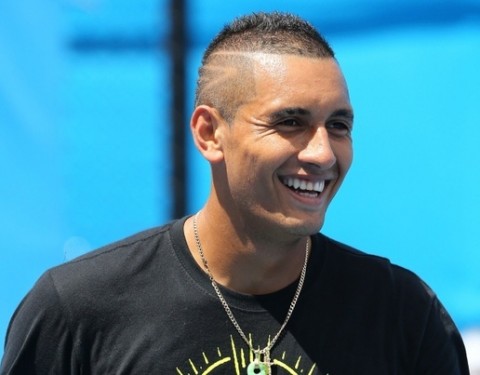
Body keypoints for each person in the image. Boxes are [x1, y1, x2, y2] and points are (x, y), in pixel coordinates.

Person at [1, 12, 469, 375]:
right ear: (209, 133)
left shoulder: (403, 315)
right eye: (291, 122)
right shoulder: (77, 311)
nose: (323, 153)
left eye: (339, 126)